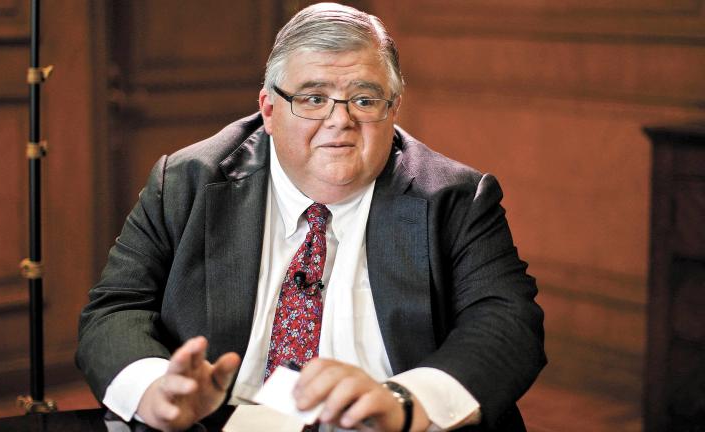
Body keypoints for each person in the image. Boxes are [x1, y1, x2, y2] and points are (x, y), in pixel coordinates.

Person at [76, 3, 546, 431]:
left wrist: (403, 402)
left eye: (364, 100)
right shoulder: (185, 182)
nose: (340, 120)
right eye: (313, 98)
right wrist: (155, 389)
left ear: (393, 108)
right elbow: (116, 309)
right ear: (269, 109)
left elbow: (507, 321)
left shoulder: (455, 198)